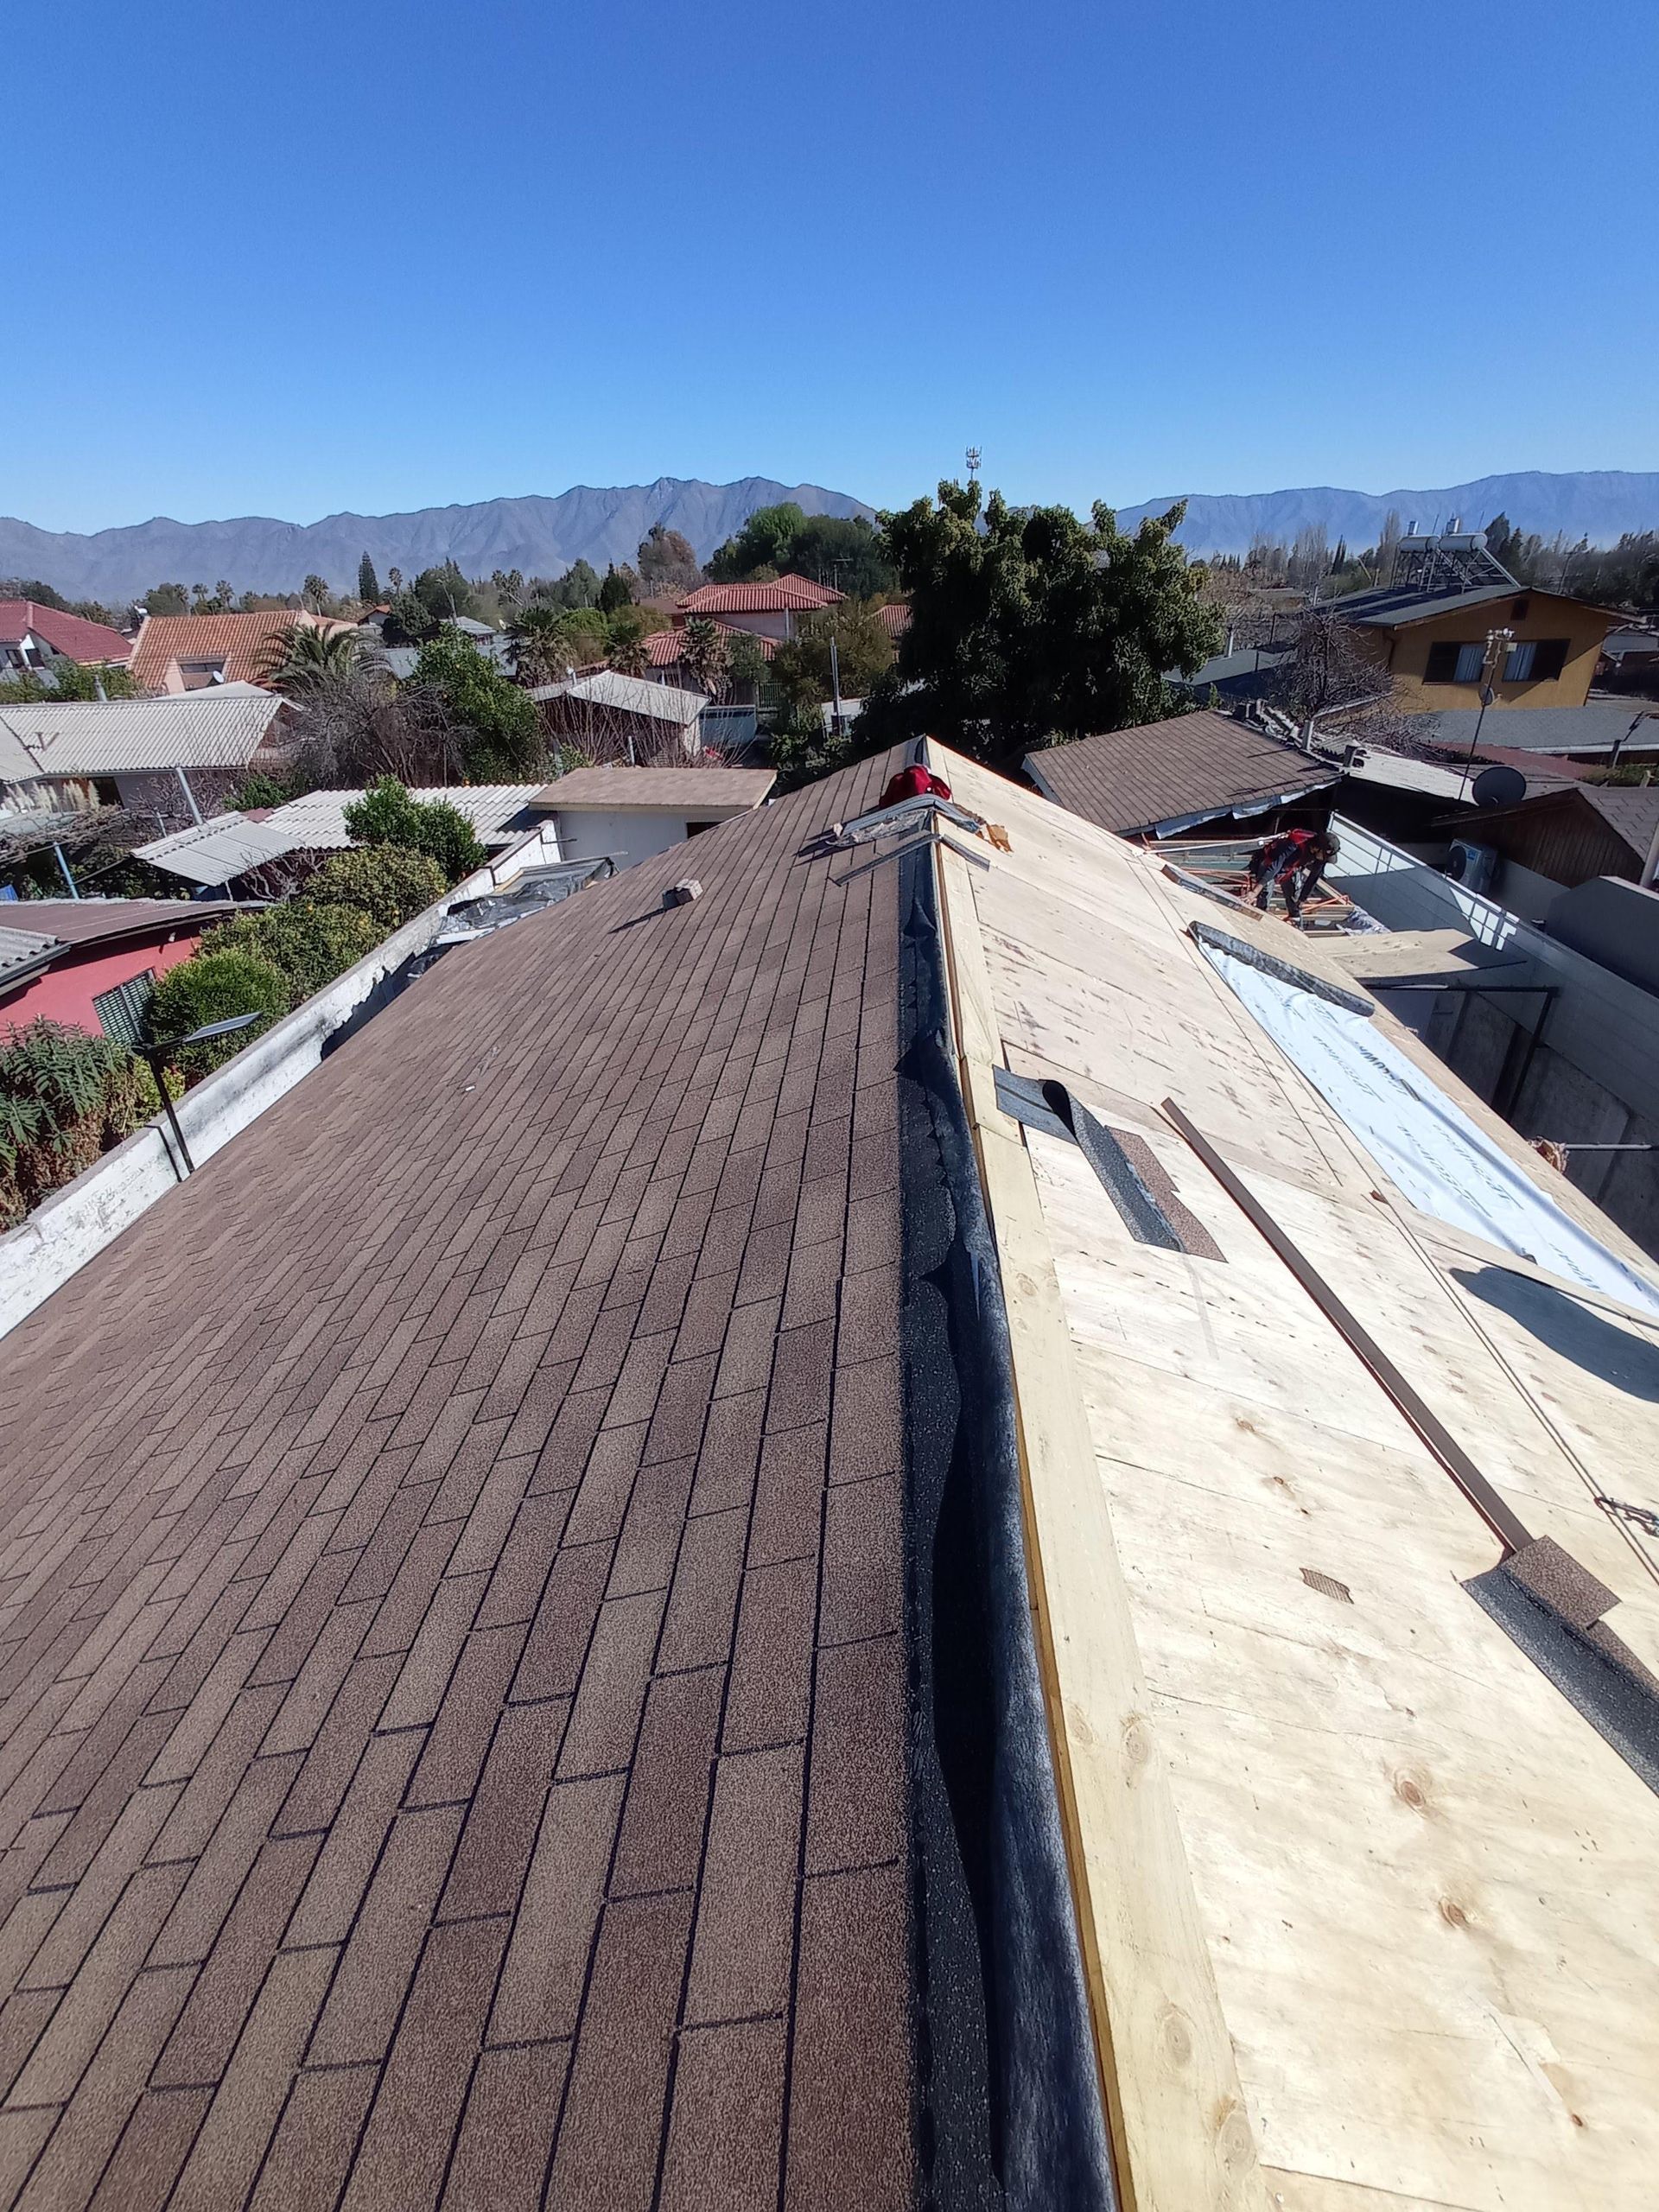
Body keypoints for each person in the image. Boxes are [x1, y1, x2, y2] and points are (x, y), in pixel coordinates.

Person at [1246, 828, 1339, 919]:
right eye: (1325, 856)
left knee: (1294, 896)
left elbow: (1312, 879)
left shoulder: (1321, 857)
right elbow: (1275, 867)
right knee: (1264, 896)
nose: (1325, 859)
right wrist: (1255, 891)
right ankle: (1260, 912)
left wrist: (1302, 900)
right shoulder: (1294, 845)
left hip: (1289, 868)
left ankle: (1294, 918)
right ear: (1316, 848)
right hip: (1270, 864)